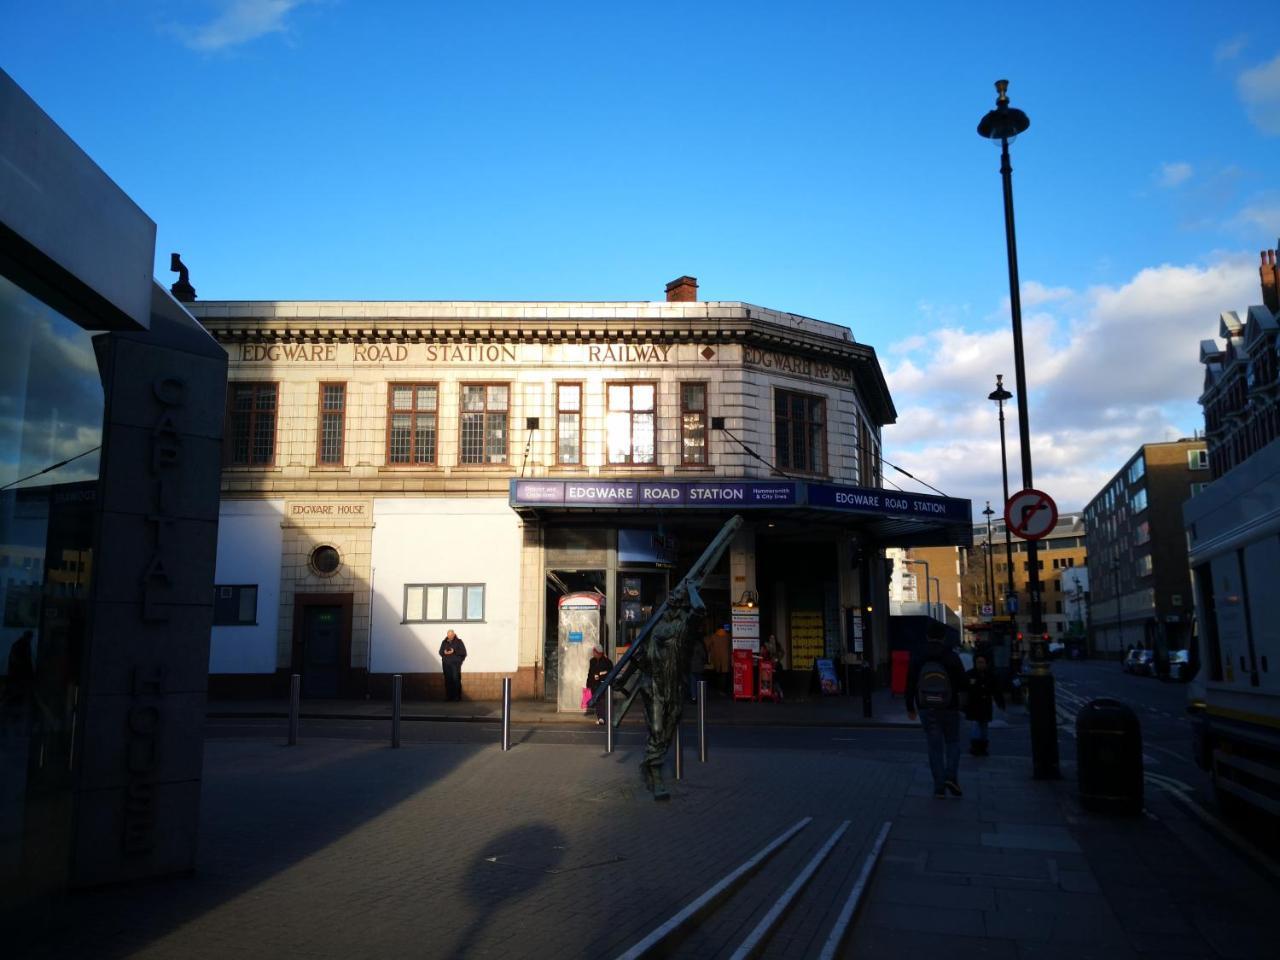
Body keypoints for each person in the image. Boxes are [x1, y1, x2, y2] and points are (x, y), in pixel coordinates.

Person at [905, 621, 968, 798]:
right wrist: (963, 704)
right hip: (949, 705)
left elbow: (910, 681)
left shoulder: (919, 655)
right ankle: (951, 776)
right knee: (953, 742)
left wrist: (910, 706)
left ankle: (939, 785)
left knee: (934, 747)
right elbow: (963, 683)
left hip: (926, 706)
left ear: (927, 636)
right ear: (943, 636)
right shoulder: (951, 656)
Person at [964, 652, 1005, 756]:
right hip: (974, 704)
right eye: (978, 662)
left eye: (982, 662)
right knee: (976, 725)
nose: (980, 664)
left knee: (984, 725)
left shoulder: (990, 675)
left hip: (985, 703)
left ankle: (982, 746)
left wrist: (1000, 702)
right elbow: (964, 689)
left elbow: (996, 690)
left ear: (986, 663)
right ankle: (975, 746)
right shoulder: (969, 674)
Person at [586, 645, 613, 725]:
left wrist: (600, 675)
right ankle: (600, 717)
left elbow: (610, 672)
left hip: (603, 684)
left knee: (602, 701)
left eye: (595, 652)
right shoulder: (592, 661)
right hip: (594, 684)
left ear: (599, 653)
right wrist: (588, 683)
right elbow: (590, 673)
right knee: (597, 701)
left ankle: (602, 718)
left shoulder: (607, 661)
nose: (593, 653)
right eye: (593, 652)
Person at [439, 629, 467, 701]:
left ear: (454, 634)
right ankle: (449, 697)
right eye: (448, 635)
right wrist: (444, 652)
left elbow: (463, 652)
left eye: (451, 635)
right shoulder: (444, 642)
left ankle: (457, 697)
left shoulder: (459, 642)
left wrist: (454, 651)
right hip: (446, 664)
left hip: (455, 664)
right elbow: (440, 652)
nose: (450, 636)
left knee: (456, 680)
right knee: (448, 680)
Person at [688, 634, 708, 703]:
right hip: (699, 666)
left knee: (692, 683)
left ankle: (693, 697)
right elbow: (703, 655)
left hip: (691, 666)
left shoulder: (689, 645)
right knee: (699, 682)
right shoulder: (700, 645)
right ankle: (700, 697)